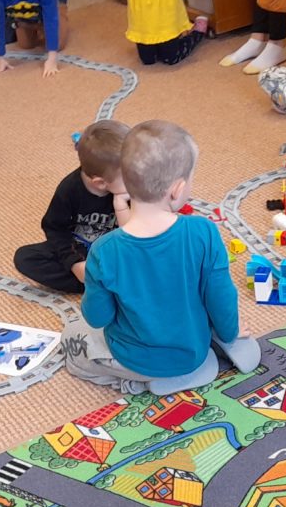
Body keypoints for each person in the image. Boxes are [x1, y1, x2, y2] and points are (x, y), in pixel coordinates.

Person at [63, 119, 261, 395]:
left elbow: (98, 318)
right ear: (177, 189)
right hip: (193, 351)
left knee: (72, 336)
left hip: (138, 359)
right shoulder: (204, 231)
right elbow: (221, 295)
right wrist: (230, 331)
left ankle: (134, 382)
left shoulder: (104, 250)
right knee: (206, 311)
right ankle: (215, 346)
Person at [15, 120, 131, 294]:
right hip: (81, 250)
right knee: (25, 258)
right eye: (129, 175)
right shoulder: (69, 190)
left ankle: (107, 282)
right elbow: (55, 229)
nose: (137, 178)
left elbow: (140, 231)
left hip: (117, 250)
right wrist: (75, 263)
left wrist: (123, 205)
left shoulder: (131, 187)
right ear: (100, 183)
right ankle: (95, 283)